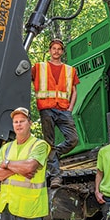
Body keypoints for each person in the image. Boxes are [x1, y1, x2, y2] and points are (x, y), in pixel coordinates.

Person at [32, 38, 79, 188]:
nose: (56, 51)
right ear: (49, 51)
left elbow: (74, 91)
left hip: (64, 110)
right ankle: (55, 177)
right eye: (54, 48)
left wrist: (70, 108)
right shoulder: (39, 67)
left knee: (73, 139)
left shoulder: (70, 70)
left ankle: (53, 155)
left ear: (62, 51)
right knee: (49, 143)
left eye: (59, 49)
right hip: (46, 109)